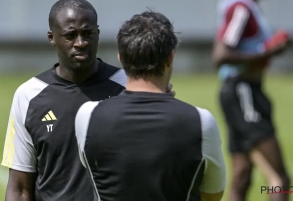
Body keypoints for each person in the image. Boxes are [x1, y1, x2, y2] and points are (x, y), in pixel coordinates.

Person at [75, 10, 226, 201]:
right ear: (170, 57)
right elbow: (212, 195)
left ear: (120, 57)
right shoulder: (201, 122)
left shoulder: (87, 116)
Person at [1, 0, 129, 201]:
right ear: (52, 38)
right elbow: (19, 187)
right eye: (71, 35)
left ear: (98, 32)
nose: (81, 43)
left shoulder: (129, 86)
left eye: (88, 33)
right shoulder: (29, 95)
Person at [212, 0, 290, 201]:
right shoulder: (241, 7)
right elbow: (222, 54)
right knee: (282, 181)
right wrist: (268, 51)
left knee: (243, 175)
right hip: (242, 91)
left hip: (242, 92)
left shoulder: (247, 7)